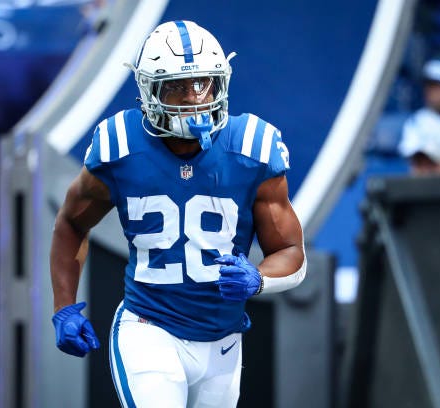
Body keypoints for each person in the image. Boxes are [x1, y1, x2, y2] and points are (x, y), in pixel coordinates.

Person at [50, 20, 306, 407]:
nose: (193, 98)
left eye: (202, 82)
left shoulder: (253, 149)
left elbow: (292, 252)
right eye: (177, 86)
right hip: (148, 327)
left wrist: (258, 281)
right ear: (148, 89)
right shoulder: (119, 146)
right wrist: (63, 306)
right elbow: (71, 222)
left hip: (223, 341)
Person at [397, 57, 440, 175]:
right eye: (430, 87)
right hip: (422, 185)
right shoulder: (416, 120)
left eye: (439, 87)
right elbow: (409, 152)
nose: (434, 93)